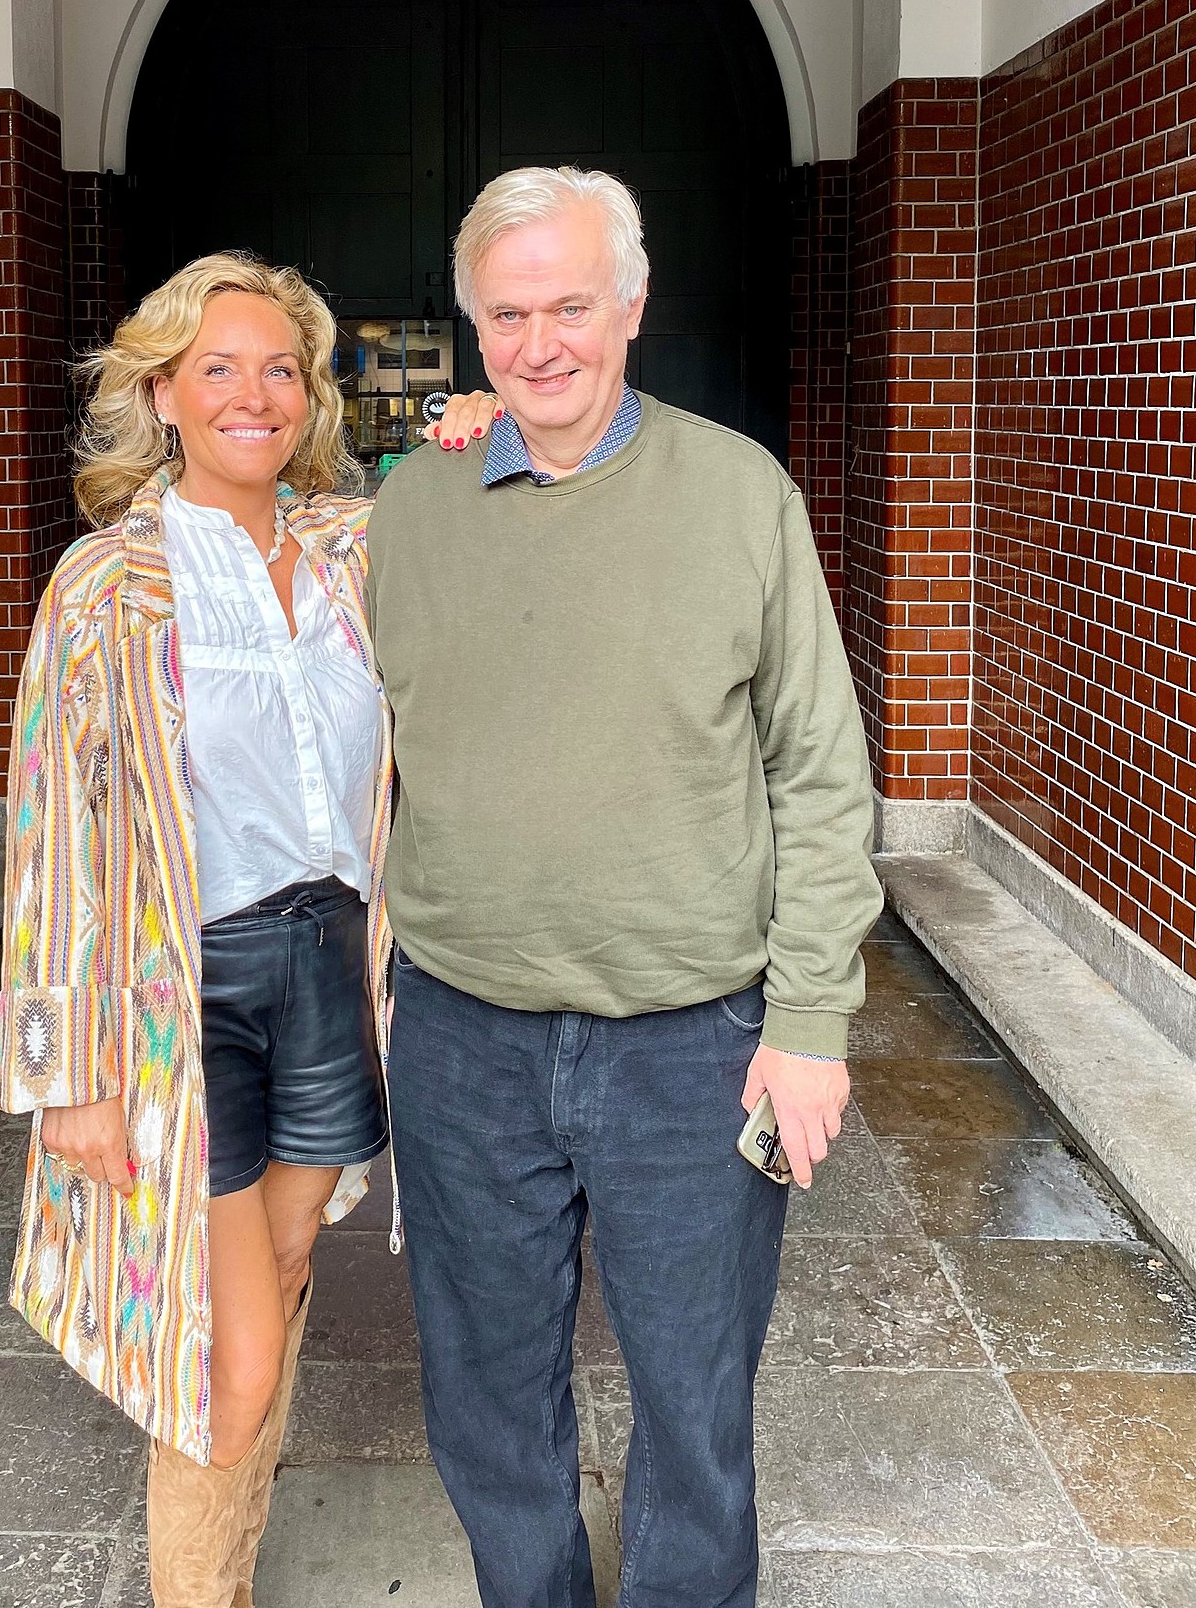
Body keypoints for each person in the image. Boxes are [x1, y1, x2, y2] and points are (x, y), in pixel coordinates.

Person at [366, 167, 882, 1608]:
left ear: (634, 304)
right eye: (508, 315)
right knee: (484, 1395)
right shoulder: (409, 509)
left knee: (696, 1403)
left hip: (694, 1045)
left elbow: (821, 777)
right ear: (473, 328)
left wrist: (812, 1022)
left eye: (572, 306)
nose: (541, 346)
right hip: (463, 1036)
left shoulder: (741, 496)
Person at [0, 252, 491, 1608]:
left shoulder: (349, 551)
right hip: (183, 991)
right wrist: (62, 1071)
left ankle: (228, 1572)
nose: (254, 395)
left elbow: (508, 517)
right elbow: (52, 831)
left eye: (281, 369)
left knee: (278, 1266)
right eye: (218, 368)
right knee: (232, 1356)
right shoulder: (106, 585)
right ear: (162, 393)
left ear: (311, 397)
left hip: (331, 972)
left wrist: (480, 429)